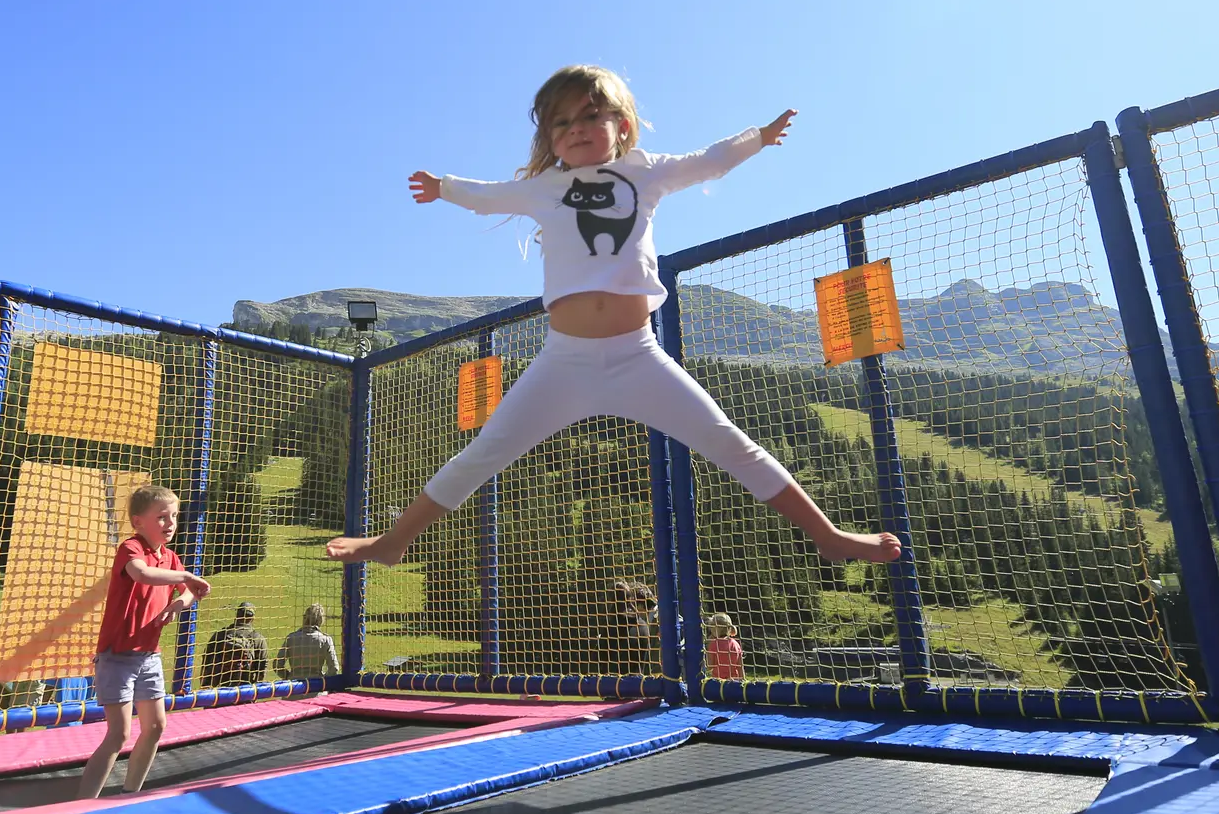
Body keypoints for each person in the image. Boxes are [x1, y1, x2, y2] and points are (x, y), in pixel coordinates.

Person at [326, 67, 901, 569]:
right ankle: (393, 542)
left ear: (621, 125)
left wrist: (758, 138)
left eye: (589, 116)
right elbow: (490, 195)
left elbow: (707, 162)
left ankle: (827, 536)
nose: (575, 129)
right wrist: (444, 187)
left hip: (637, 355)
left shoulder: (644, 171)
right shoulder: (544, 188)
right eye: (561, 123)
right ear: (548, 138)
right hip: (564, 361)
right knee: (483, 453)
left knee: (729, 441)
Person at [76, 485, 210, 800]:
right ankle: (82, 803)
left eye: (174, 516)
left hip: (149, 656)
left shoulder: (171, 557)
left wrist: (179, 603)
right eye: (162, 517)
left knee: (155, 727)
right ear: (138, 522)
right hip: (118, 656)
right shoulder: (131, 547)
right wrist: (185, 577)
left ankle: (130, 793)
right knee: (119, 734)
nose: (170, 523)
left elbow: (189, 593)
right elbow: (141, 574)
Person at [200, 601, 269, 688]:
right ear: (252, 618)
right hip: (245, 689)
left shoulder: (220, 635)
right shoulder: (258, 639)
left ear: (237, 615)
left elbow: (206, 660)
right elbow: (262, 667)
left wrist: (205, 684)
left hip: (220, 688)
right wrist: (256, 689)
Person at [276, 603, 339, 681]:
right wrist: (322, 680)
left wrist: (289, 677)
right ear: (321, 620)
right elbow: (334, 668)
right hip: (317, 686)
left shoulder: (291, 638)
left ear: (304, 618)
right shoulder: (325, 640)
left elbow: (277, 665)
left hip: (294, 686)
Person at [704, 613, 745, 680]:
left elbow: (709, 666)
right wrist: (742, 681)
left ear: (716, 628)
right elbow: (740, 667)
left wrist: (707, 650)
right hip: (733, 681)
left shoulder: (714, 645)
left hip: (718, 682)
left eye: (711, 627)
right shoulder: (736, 644)